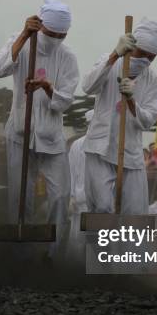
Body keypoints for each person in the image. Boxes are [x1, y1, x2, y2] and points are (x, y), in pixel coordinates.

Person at [0, 0, 79, 256]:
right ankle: (21, 252)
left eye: (61, 35)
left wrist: (47, 87)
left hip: (50, 137)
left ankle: (52, 253)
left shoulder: (67, 57)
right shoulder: (22, 42)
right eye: (51, 33)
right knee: (20, 197)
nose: (56, 39)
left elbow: (65, 100)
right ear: (40, 27)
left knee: (61, 195)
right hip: (20, 132)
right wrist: (23, 35)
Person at [82, 17, 157, 216]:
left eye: (151, 57)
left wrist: (131, 100)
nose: (145, 60)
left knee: (135, 215)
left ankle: (125, 249)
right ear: (130, 48)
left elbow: (148, 120)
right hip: (100, 149)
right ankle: (101, 248)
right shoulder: (110, 62)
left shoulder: (152, 80)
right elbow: (88, 86)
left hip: (131, 153)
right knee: (102, 208)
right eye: (141, 53)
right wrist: (113, 55)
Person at [67, 109, 93, 261]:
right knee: (80, 239)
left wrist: (71, 196)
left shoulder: (76, 144)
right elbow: (71, 172)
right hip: (82, 199)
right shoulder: (77, 145)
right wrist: (71, 196)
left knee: (81, 240)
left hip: (83, 198)